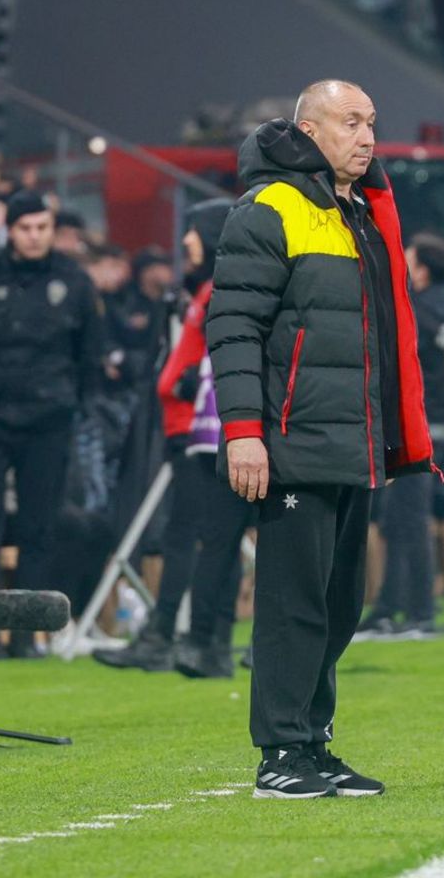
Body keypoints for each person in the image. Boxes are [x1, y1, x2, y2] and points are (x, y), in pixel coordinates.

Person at [207, 79, 434, 798]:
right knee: (292, 605)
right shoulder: (270, 207)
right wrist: (244, 432)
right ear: (309, 131)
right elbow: (232, 328)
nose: (368, 137)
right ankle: (279, 753)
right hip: (292, 440)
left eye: (372, 123)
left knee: (339, 606)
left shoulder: (358, 211)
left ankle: (312, 742)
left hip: (351, 440)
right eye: (351, 122)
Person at [93, 198, 253, 678]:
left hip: (200, 431)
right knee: (207, 536)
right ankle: (196, 639)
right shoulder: (202, 290)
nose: (186, 242)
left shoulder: (221, 290)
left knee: (197, 536)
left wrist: (191, 385)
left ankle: (177, 636)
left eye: (194, 232)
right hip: (186, 428)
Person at [0, 190, 102, 659]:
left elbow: (90, 353)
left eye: (42, 227)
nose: (34, 236)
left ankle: (25, 636)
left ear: (51, 228)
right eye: (25, 228)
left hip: (48, 420)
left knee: (38, 527)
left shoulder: (75, 282)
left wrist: (77, 406)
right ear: (10, 230)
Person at [357, 232, 444, 637]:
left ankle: (420, 611)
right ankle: (390, 606)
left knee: (410, 517)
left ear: (422, 270)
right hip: (438, 423)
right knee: (399, 517)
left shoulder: (418, 310)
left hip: (417, 422)